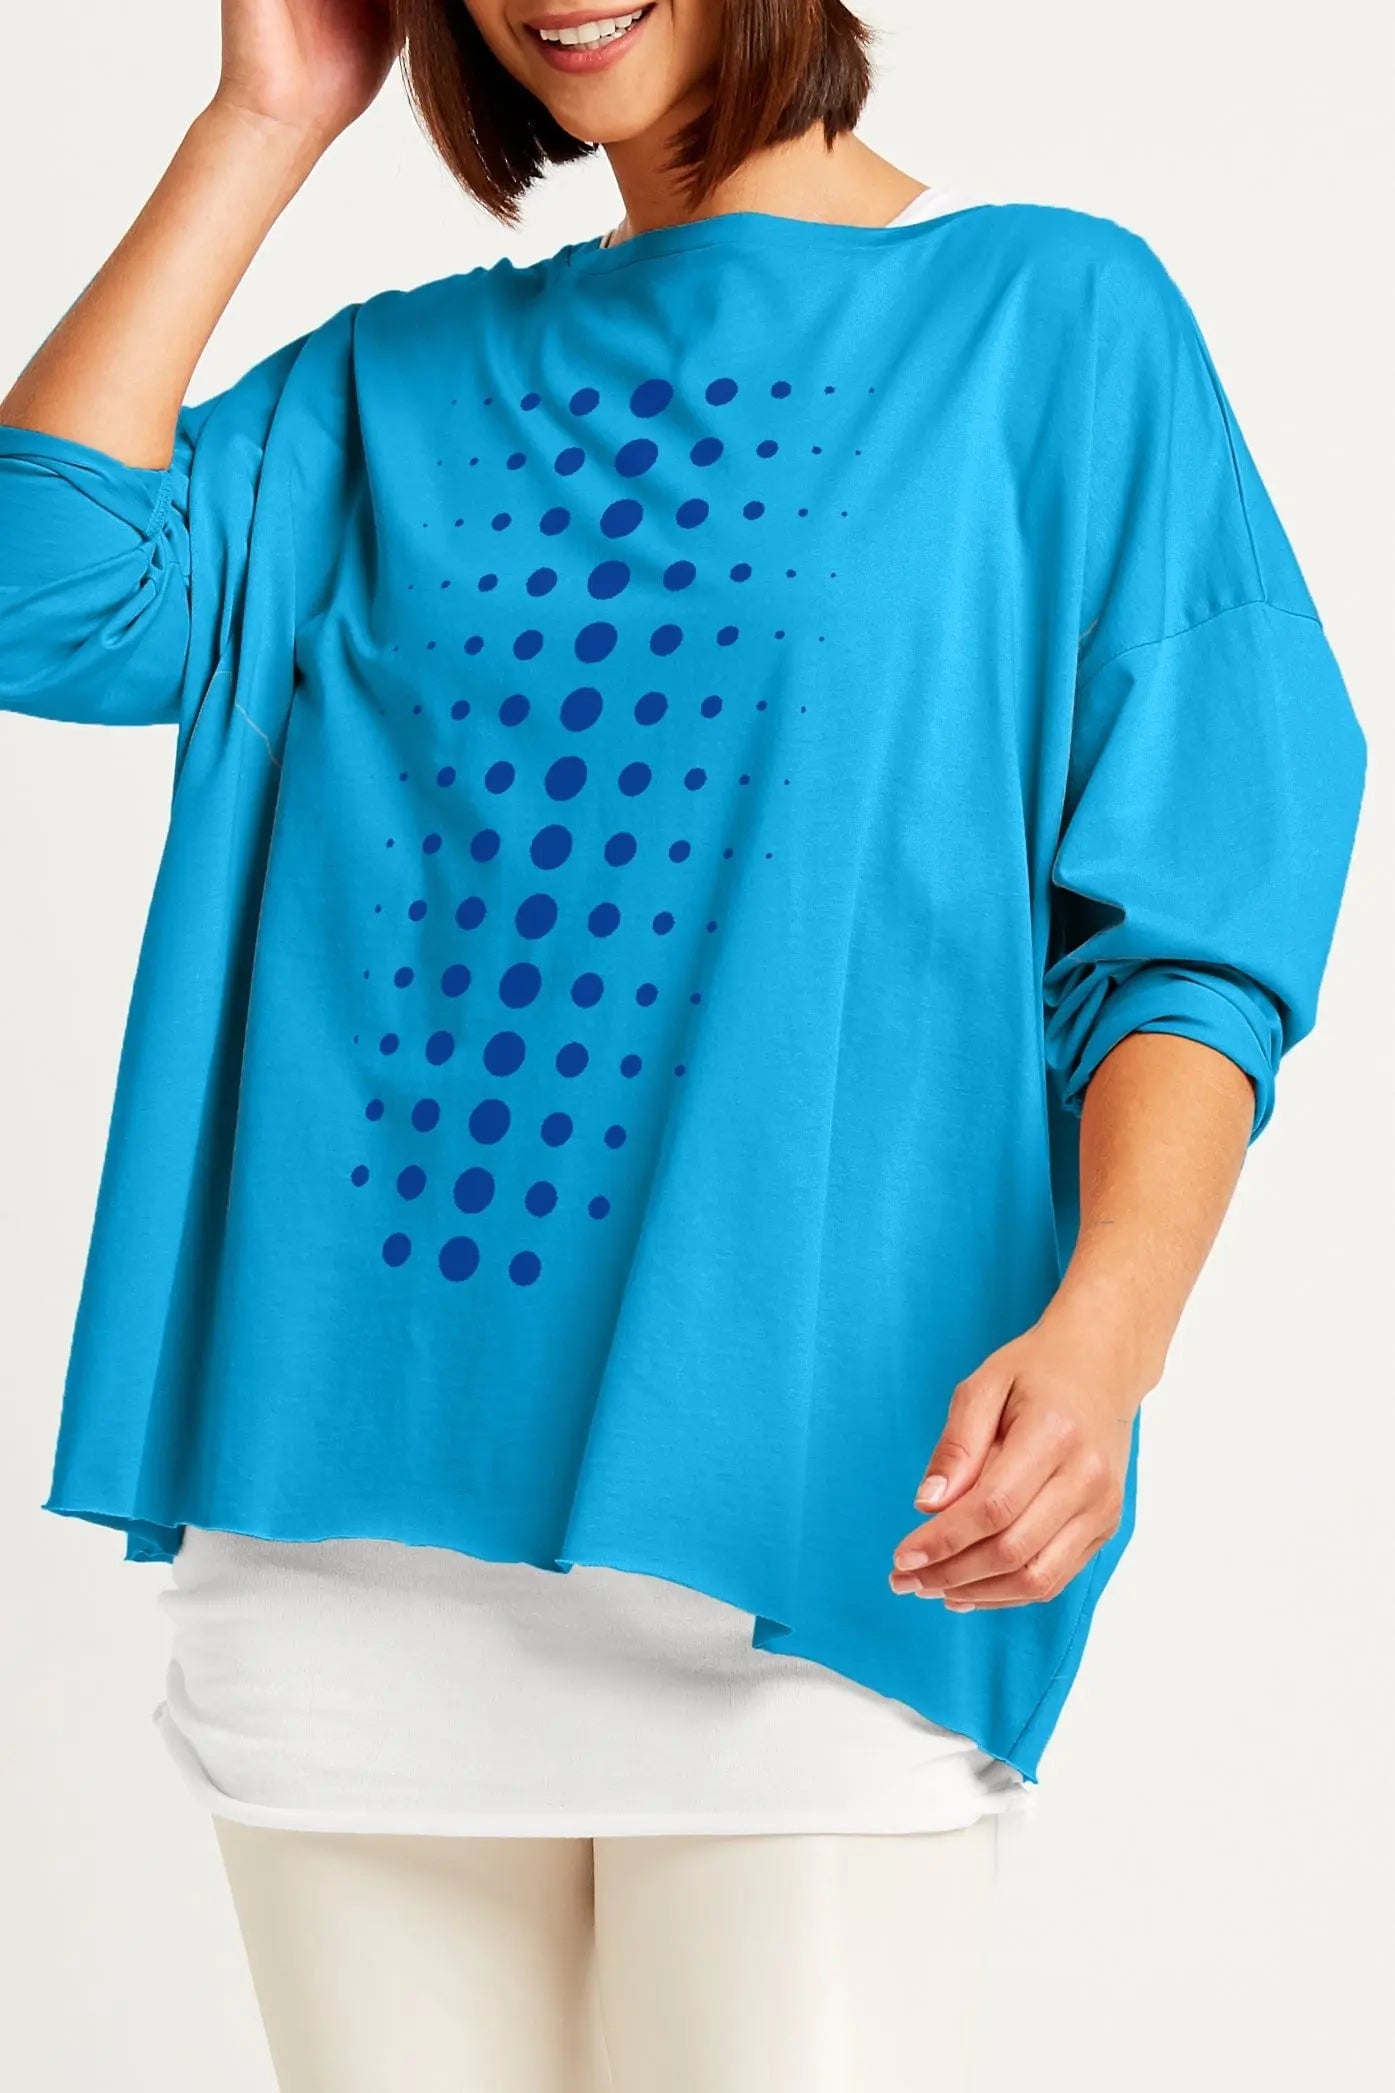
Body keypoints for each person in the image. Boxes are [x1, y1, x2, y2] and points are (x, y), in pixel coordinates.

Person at [0, 2, 1366, 2089]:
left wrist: (1111, 1327)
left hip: (819, 1526)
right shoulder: (390, 390)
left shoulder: (1049, 322)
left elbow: (1193, 909)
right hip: (347, 1556)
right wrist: (267, 111)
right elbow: (47, 583)